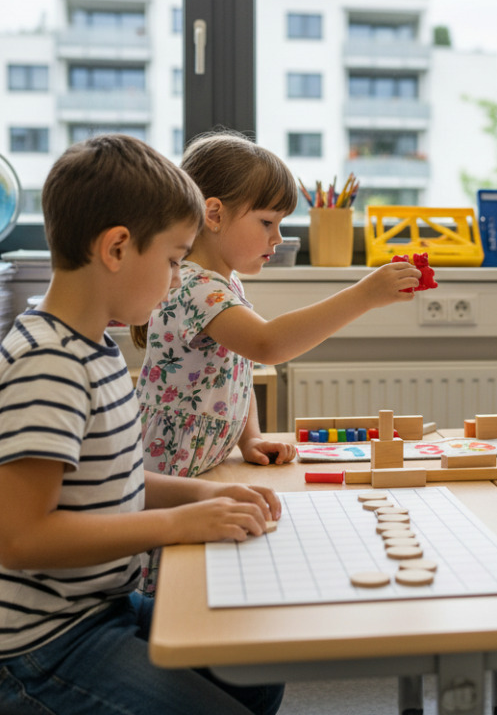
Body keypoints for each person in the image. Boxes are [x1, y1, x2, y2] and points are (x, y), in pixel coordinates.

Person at [0, 135, 285, 715]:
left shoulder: (94, 347)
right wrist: (178, 523)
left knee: (257, 670)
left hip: (101, 606)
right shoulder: (46, 364)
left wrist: (206, 492)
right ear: (118, 248)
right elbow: (22, 538)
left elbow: (118, 482)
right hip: (33, 645)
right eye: (174, 260)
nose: (177, 277)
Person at [133, 130, 421, 592]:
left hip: (199, 464)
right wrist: (364, 295)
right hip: (170, 469)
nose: (279, 237)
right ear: (214, 214)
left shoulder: (221, 284)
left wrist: (251, 437)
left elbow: (238, 369)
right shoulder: (194, 286)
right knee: (168, 583)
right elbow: (267, 346)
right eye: (268, 222)